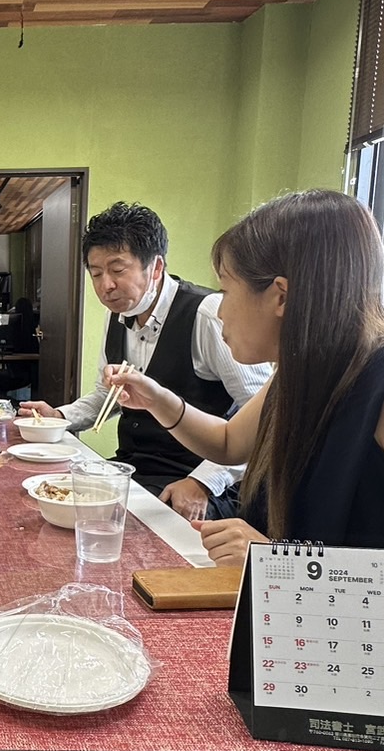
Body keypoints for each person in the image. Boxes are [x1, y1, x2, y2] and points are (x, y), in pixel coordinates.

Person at [106, 190, 384, 564]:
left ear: (281, 296)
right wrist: (156, 397)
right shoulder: (301, 372)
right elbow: (227, 443)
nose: (220, 311)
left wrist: (280, 561)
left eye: (225, 289)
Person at [20, 202, 272, 522]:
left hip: (195, 479)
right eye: (96, 274)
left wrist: (203, 482)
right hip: (136, 470)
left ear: (155, 268)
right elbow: (108, 395)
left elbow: (264, 419)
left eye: (117, 270)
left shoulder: (207, 315)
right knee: (47, 496)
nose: (105, 285)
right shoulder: (119, 315)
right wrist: (59, 416)